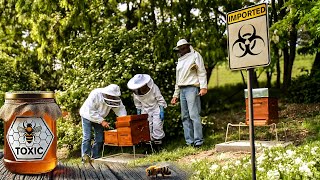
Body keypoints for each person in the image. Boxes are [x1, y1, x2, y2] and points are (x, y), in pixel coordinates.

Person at [170, 39, 208, 148]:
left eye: (183, 47)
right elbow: (178, 79)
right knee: (185, 117)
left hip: (192, 88)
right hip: (182, 89)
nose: (182, 50)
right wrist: (175, 95)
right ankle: (189, 142)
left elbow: (201, 71)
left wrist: (203, 87)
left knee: (193, 115)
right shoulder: (180, 60)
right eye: (180, 48)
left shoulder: (195, 55)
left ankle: (198, 141)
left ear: (187, 47)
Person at [79, 84, 127, 162]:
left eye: (113, 97)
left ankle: (95, 156)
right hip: (87, 115)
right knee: (87, 137)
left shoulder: (115, 99)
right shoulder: (95, 94)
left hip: (100, 118)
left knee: (99, 138)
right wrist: (102, 121)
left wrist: (124, 121)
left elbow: (120, 110)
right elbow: (90, 111)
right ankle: (85, 158)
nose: (112, 98)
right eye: (111, 96)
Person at [127, 74, 167, 150]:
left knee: (157, 126)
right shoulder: (136, 92)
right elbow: (138, 104)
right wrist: (139, 114)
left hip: (156, 109)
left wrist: (162, 110)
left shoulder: (154, 87)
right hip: (145, 110)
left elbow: (160, 99)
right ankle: (149, 148)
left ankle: (159, 147)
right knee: (146, 128)